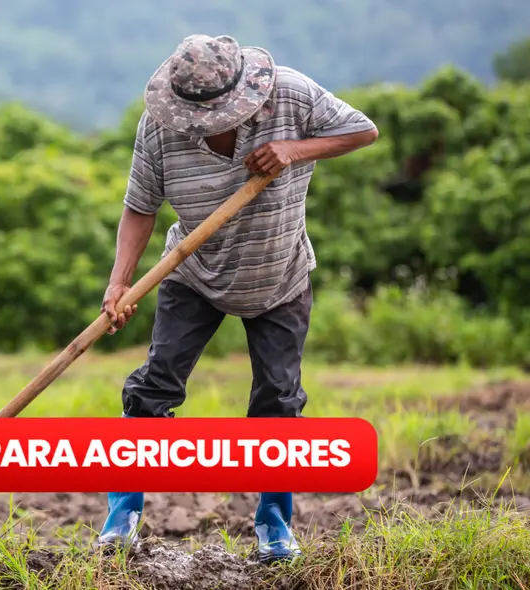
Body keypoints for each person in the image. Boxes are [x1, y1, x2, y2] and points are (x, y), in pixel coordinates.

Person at [96, 34, 379, 564]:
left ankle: (274, 525)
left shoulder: (291, 95)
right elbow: (140, 207)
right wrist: (120, 283)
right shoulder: (159, 127)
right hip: (193, 272)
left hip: (280, 275)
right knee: (153, 389)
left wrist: (294, 149)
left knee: (278, 400)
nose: (204, 126)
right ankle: (122, 518)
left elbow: (362, 130)